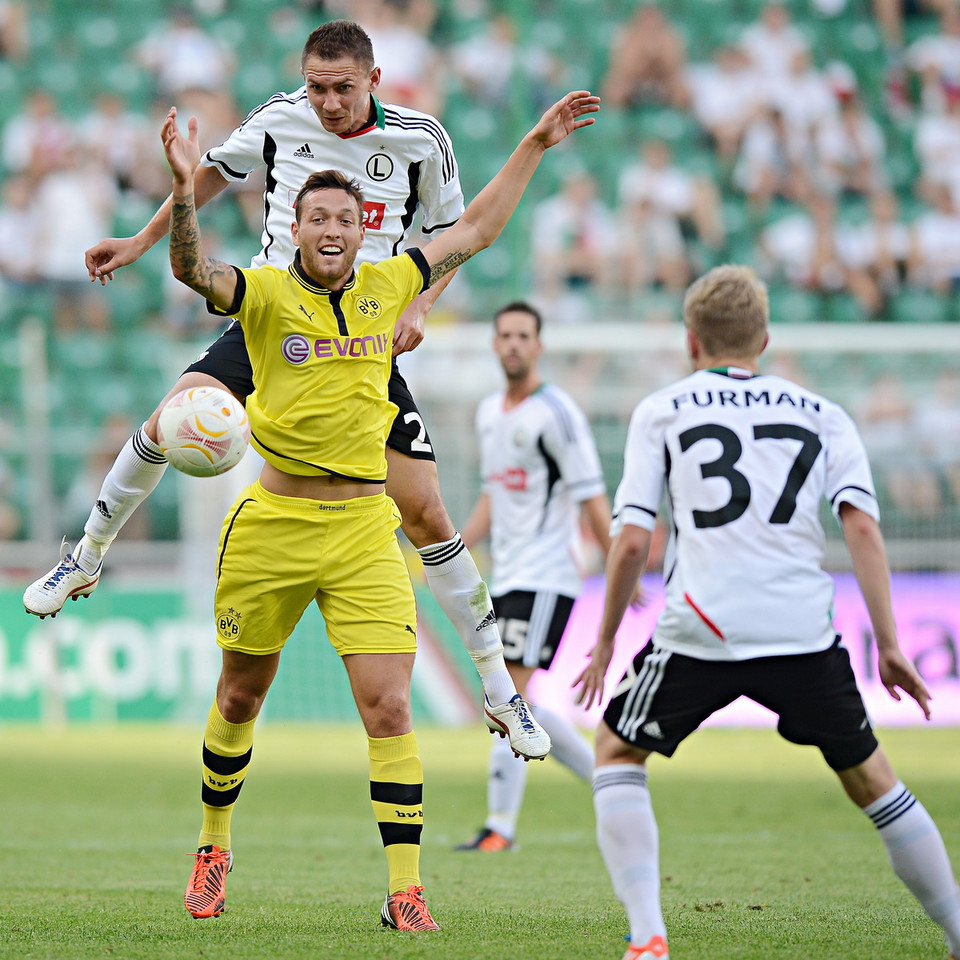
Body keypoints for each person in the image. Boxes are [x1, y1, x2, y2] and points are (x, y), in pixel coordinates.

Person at [23, 19, 549, 761]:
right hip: (275, 317)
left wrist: (421, 304)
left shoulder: (420, 141)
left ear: (372, 80)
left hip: (364, 330)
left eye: (342, 88)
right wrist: (141, 242)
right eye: (317, 87)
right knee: (169, 419)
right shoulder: (279, 121)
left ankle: (502, 691)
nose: (328, 103)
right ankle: (86, 554)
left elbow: (458, 231)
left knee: (427, 511)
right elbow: (205, 176)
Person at [161, 85, 599, 924]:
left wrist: (534, 144)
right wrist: (185, 194)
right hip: (273, 528)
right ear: (295, 225)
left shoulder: (390, 283)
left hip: (365, 530)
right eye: (316, 218)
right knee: (240, 698)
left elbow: (472, 231)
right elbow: (191, 269)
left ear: (364, 226)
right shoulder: (257, 295)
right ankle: (214, 844)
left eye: (344, 219)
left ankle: (407, 893)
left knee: (390, 706)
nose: (330, 230)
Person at [573, 264, 960, 960]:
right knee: (874, 781)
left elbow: (633, 538)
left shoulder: (662, 409)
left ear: (692, 342)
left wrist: (604, 641)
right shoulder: (823, 413)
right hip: (800, 630)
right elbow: (863, 529)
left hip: (701, 628)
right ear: (766, 339)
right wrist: (891, 643)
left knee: (616, 749)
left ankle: (647, 935)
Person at [454, 301, 638, 852]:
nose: (512, 344)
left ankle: (499, 828)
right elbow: (493, 492)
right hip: (506, 574)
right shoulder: (491, 412)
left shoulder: (556, 413)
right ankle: (610, 776)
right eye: (504, 334)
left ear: (539, 346)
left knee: (508, 693)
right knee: (515, 699)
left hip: (548, 572)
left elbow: (589, 495)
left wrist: (616, 566)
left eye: (523, 335)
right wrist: (453, 552)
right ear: (495, 343)